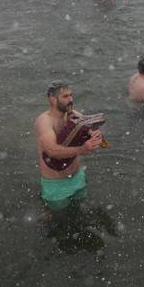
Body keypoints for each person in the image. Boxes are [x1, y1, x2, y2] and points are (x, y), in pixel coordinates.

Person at [35, 81, 102, 211]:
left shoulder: (75, 115)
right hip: (55, 185)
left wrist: (95, 136)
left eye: (71, 95)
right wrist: (82, 149)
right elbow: (52, 151)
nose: (71, 99)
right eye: (65, 96)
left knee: (80, 211)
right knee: (59, 221)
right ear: (52, 99)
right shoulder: (44, 121)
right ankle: (46, 212)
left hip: (77, 178)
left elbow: (89, 132)